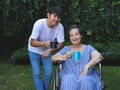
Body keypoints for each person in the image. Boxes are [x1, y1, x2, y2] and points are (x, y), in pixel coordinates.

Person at [52, 25, 103, 90]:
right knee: (69, 79)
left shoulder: (88, 48)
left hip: (87, 75)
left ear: (81, 35)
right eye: (71, 35)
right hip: (69, 75)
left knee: (84, 80)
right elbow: (53, 58)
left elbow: (99, 56)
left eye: (76, 34)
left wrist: (87, 67)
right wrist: (64, 57)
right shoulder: (66, 49)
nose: (74, 37)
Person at [28, 6, 65, 90]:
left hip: (47, 50)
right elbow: (32, 42)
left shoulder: (60, 27)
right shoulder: (39, 24)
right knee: (37, 73)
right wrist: (43, 44)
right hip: (33, 50)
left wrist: (49, 50)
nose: (56, 19)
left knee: (49, 73)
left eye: (58, 17)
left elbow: (61, 44)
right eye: (54, 16)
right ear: (48, 15)